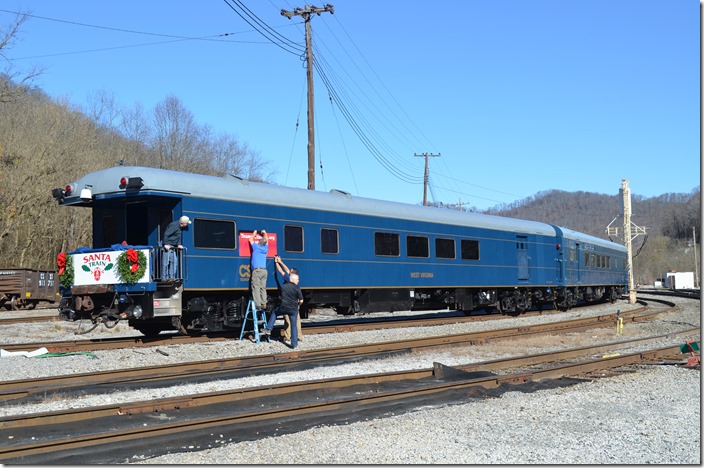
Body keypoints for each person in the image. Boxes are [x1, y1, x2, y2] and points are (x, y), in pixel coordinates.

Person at [262, 272, 303, 349]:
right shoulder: (297, 288)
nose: (298, 281)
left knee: (274, 313)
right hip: (293, 310)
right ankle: (294, 344)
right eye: (297, 279)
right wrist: (298, 305)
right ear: (293, 280)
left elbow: (281, 297)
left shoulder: (283, 287)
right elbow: (301, 300)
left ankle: (269, 328)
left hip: (283, 307)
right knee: (293, 326)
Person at [274, 256, 303, 342]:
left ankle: (287, 336)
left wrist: (276, 263)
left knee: (288, 320)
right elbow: (287, 269)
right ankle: (299, 336)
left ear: (291, 274)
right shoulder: (295, 279)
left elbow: (281, 271)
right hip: (295, 302)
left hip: (288, 303)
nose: (288, 270)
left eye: (290, 271)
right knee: (297, 320)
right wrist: (281, 261)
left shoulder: (288, 279)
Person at [249, 229, 269, 312]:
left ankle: (258, 305)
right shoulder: (265, 249)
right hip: (264, 271)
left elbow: (250, 240)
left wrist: (254, 233)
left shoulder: (256, 247)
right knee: (263, 288)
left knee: (256, 287)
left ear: (259, 243)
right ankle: (264, 303)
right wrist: (265, 233)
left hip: (257, 271)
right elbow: (267, 241)